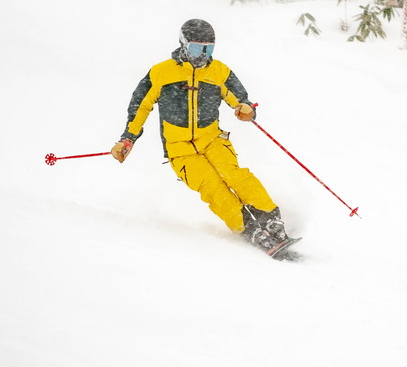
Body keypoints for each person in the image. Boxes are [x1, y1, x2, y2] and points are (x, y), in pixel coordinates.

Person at [110, 18, 291, 253]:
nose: (203, 55)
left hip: (212, 138)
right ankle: (247, 227)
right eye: (197, 48)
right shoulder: (161, 73)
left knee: (234, 176)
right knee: (213, 188)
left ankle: (270, 217)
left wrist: (246, 109)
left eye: (209, 49)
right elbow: (140, 107)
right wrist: (128, 138)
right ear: (184, 45)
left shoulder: (218, 72)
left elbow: (240, 99)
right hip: (179, 147)